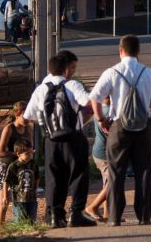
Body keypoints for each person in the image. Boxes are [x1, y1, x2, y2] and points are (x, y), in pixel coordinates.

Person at [90, 35, 151, 227]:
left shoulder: (112, 72)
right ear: (138, 51)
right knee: (143, 173)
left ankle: (114, 217)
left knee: (116, 173)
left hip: (119, 128)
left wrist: (101, 119)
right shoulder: (149, 73)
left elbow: (95, 97)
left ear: (120, 50)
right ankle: (144, 216)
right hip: (143, 129)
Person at [23, 51, 96, 228]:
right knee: (78, 175)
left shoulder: (41, 89)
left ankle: (55, 216)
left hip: (51, 141)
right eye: (71, 68)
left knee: (54, 178)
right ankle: (76, 214)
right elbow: (88, 102)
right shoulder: (73, 85)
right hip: (74, 138)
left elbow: (28, 115)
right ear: (64, 69)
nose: (72, 72)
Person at [0, 101, 33, 233]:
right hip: (6, 168)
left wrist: (30, 154)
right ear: (17, 114)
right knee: (4, 201)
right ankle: (0, 230)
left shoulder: (29, 128)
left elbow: (30, 147)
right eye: (25, 116)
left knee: (21, 198)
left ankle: (21, 225)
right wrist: (17, 154)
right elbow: (0, 153)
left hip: (21, 169)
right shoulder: (9, 128)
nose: (28, 118)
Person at [85, 96, 112, 223]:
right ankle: (92, 207)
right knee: (112, 183)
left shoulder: (100, 110)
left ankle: (108, 214)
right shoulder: (109, 113)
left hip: (99, 152)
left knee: (108, 183)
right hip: (105, 154)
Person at [2, 139, 39, 229]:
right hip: (19, 199)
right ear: (18, 154)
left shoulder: (33, 164)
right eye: (27, 154)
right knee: (20, 220)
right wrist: (5, 196)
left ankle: (32, 235)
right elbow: (6, 181)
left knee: (32, 220)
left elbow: (37, 177)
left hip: (31, 198)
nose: (30, 156)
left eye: (31, 153)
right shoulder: (14, 166)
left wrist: (35, 189)